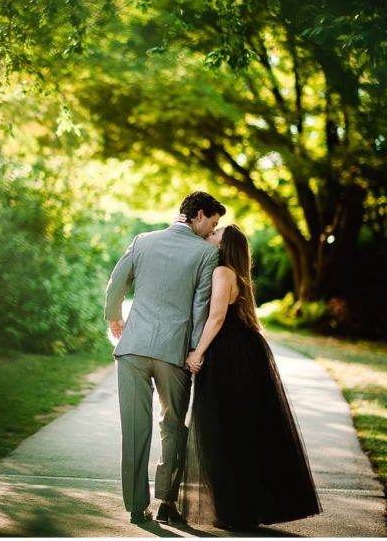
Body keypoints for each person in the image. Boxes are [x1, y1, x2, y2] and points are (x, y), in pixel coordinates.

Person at [180, 222, 322, 530]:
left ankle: (234, 510)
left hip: (226, 354)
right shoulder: (238, 273)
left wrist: (197, 352)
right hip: (245, 350)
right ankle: (243, 507)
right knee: (242, 429)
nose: (209, 234)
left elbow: (217, 317)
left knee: (221, 430)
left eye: (215, 233)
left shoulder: (222, 272)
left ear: (224, 245)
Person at [104, 191, 225, 526]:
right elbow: (200, 307)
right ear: (198, 215)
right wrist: (195, 350)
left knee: (134, 429)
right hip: (173, 354)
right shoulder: (206, 254)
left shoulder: (143, 241)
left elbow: (116, 283)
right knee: (172, 427)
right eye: (212, 223)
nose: (212, 230)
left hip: (132, 349)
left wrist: (114, 316)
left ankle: (135, 506)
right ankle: (166, 502)